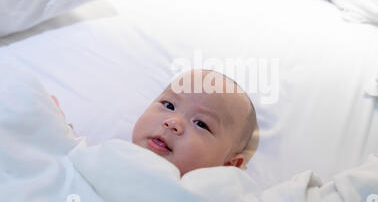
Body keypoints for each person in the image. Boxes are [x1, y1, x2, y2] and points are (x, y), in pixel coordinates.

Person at [52, 69, 259, 177]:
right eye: (169, 105)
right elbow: (69, 160)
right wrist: (53, 125)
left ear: (230, 164)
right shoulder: (109, 155)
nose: (173, 122)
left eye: (201, 124)